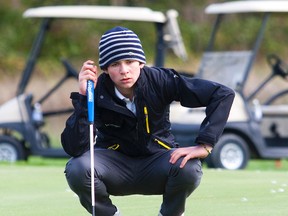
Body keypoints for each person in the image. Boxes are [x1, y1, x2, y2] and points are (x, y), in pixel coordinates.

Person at [61, 26, 235, 216]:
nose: (124, 70)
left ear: (141, 62)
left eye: (129, 61)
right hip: (115, 166)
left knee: (189, 167)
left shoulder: (160, 80)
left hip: (158, 160)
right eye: (115, 64)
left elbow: (222, 94)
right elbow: (74, 149)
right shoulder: (96, 91)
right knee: (77, 168)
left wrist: (205, 145)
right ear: (105, 69)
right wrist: (85, 98)